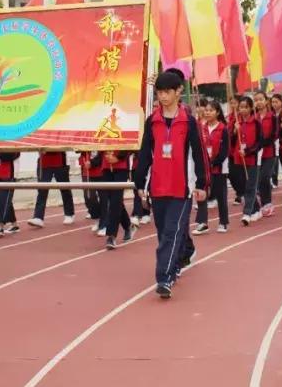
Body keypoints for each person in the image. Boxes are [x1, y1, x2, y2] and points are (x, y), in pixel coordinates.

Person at [136, 70, 207, 299]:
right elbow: (144, 154)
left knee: (171, 231)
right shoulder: (152, 121)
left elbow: (199, 154)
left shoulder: (189, 122)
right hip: (157, 186)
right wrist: (139, 182)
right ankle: (178, 259)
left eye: (167, 92)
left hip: (181, 187)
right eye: (160, 92)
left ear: (178, 92)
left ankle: (164, 278)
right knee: (163, 231)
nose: (163, 96)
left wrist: (202, 183)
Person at [194, 99, 229, 234]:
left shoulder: (223, 129)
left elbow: (224, 151)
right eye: (206, 110)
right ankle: (202, 222)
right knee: (201, 193)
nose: (207, 113)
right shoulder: (201, 128)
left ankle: (223, 222)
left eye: (211, 110)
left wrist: (214, 162)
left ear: (218, 112)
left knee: (221, 195)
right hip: (203, 168)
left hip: (218, 168)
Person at [95, 150, 133, 249]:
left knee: (115, 202)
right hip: (106, 167)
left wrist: (118, 157)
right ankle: (127, 225)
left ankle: (111, 236)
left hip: (121, 167)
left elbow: (131, 145)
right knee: (115, 201)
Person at [29, 150, 75, 228]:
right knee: (42, 190)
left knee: (65, 189)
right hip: (44, 162)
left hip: (60, 161)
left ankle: (69, 214)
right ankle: (38, 217)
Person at [257, 94, 282, 216]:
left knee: (264, 177)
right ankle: (262, 204)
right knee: (258, 179)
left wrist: (262, 143)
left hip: (269, 152)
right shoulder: (254, 117)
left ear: (266, 101)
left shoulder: (272, 117)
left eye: (261, 99)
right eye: (256, 100)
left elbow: (275, 134)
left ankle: (267, 203)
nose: (258, 102)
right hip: (256, 153)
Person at [0, 152, 20, 237]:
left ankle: (0, 226)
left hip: (9, 173)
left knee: (3, 199)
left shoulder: (13, 145)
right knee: (5, 199)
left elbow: (14, 154)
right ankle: (14, 224)